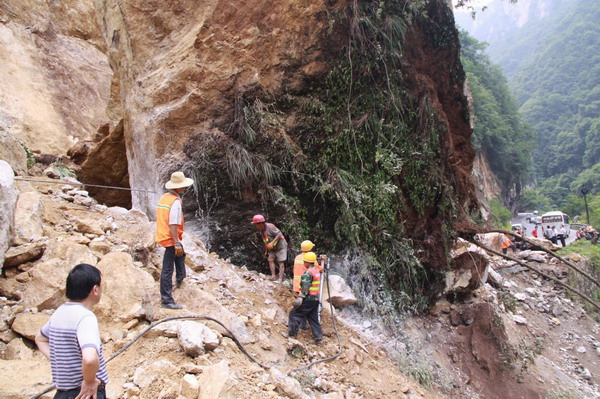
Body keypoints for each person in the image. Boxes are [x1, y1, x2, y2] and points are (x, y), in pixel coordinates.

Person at [35, 264, 109, 399]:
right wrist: (90, 381)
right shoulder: (86, 317)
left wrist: (61, 362)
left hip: (63, 392)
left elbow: (40, 339)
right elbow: (90, 358)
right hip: (84, 392)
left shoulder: (60, 312)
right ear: (95, 289)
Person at [156, 171, 194, 309]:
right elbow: (173, 224)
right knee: (167, 268)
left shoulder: (165, 197)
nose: (185, 188)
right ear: (177, 187)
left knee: (181, 254)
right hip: (169, 236)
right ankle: (166, 299)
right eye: (183, 186)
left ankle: (180, 278)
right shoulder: (175, 202)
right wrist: (176, 242)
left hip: (163, 233)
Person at [288, 252, 323, 343]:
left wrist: (300, 298)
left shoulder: (307, 273)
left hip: (308, 298)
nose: (304, 263)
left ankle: (292, 335)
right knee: (313, 317)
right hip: (315, 298)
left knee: (295, 314)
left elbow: (305, 287)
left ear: (307, 262)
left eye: (304, 261)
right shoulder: (316, 271)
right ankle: (318, 337)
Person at [252, 214, 288, 282]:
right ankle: (273, 276)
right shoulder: (261, 230)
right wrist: (266, 251)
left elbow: (279, 234)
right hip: (272, 247)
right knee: (270, 259)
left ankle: (280, 279)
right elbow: (266, 241)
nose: (255, 226)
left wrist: (272, 242)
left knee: (280, 262)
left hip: (280, 246)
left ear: (260, 224)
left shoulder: (270, 227)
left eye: (255, 224)